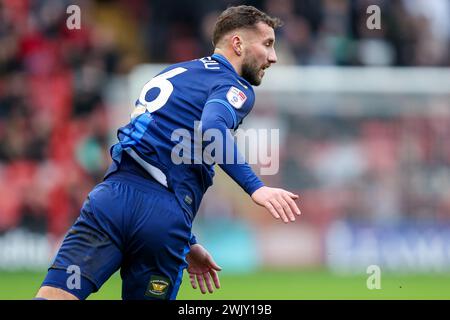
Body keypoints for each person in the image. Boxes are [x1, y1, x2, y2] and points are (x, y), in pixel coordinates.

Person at [35, 5, 301, 300]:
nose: (273, 57)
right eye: (267, 44)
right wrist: (256, 188)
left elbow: (156, 153)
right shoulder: (234, 85)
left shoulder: (174, 73)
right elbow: (212, 129)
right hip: (161, 217)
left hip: (109, 200)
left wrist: (188, 241)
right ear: (237, 44)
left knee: (55, 296)